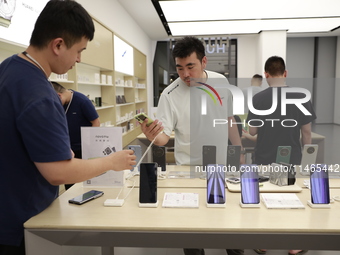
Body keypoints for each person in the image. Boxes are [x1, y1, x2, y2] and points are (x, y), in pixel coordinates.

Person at [0, 1, 136, 254]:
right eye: (79, 51)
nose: (79, 59)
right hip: (19, 224)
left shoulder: (9, 67)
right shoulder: (40, 94)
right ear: (58, 44)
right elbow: (59, 173)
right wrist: (112, 162)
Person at [141, 36, 245, 255]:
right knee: (191, 231)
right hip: (187, 170)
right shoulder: (169, 95)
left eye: (191, 66)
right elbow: (163, 136)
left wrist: (238, 149)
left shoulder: (221, 83)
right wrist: (152, 135)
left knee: (231, 225)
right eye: (179, 68)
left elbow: (229, 119)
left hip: (221, 168)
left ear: (204, 62)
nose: (185, 74)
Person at [247, 56, 316, 255]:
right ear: (285, 73)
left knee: (265, 196)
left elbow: (252, 132)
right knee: (291, 197)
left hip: (264, 157)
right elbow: (307, 133)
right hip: (290, 157)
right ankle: (295, 244)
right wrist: (307, 161)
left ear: (266, 75)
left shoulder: (258, 99)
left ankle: (263, 242)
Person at [52, 82, 100, 189]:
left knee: (84, 181)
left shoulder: (82, 101)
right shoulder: (62, 103)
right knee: (69, 181)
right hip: (67, 149)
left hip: (82, 149)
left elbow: (96, 122)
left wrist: (89, 145)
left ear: (59, 95)